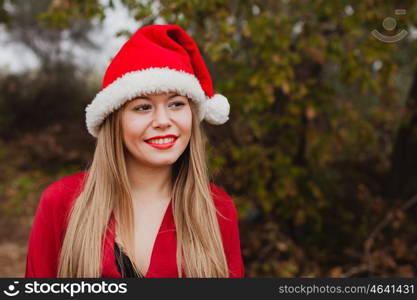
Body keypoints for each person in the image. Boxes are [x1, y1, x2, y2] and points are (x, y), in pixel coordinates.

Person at [25, 24, 244, 278]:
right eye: (142, 107)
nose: (163, 120)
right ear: (115, 121)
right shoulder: (62, 202)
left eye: (176, 104)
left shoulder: (218, 209)